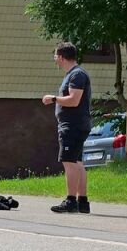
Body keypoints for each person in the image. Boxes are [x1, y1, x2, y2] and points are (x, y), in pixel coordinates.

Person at [42, 41, 91, 213]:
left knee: (69, 162)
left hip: (72, 125)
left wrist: (53, 98)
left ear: (62, 57)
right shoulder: (74, 74)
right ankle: (82, 202)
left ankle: (70, 201)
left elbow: (74, 99)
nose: (54, 58)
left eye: (55, 55)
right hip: (76, 124)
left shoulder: (76, 75)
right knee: (77, 162)